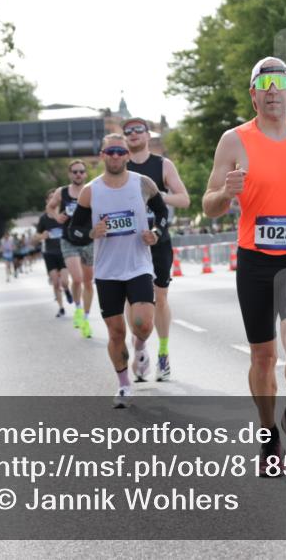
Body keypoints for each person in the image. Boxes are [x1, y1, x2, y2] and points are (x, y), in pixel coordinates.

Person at [202, 57, 286, 476]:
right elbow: (208, 206)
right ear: (254, 94)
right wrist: (225, 191)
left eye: (281, 83)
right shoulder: (234, 141)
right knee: (262, 357)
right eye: (265, 84)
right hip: (256, 261)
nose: (273, 90)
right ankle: (267, 434)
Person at [67, 133, 169, 408]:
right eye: (109, 152)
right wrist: (91, 232)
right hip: (107, 271)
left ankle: (140, 347)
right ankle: (123, 384)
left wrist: (156, 233)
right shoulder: (91, 190)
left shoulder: (143, 184)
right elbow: (74, 231)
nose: (115, 156)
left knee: (142, 324)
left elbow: (162, 215)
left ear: (127, 155)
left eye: (119, 152)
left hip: (138, 266)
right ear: (102, 155)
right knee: (115, 333)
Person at [122, 115, 191, 382]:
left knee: (160, 298)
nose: (134, 134)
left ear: (148, 136)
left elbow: (184, 199)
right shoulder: (120, 167)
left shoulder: (162, 165)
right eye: (128, 131)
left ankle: (163, 352)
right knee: (133, 300)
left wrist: (156, 195)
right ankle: (139, 349)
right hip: (129, 244)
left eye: (139, 130)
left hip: (159, 240)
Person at [47, 160, 96, 338]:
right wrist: (56, 216)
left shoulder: (92, 189)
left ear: (85, 174)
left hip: (89, 239)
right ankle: (77, 308)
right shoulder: (62, 192)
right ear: (70, 174)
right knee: (77, 278)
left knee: (88, 282)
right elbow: (50, 207)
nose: (78, 174)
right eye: (75, 172)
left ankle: (86, 318)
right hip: (69, 240)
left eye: (81, 172)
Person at [36, 190, 69, 317]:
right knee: (55, 282)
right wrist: (42, 236)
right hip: (49, 253)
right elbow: (36, 236)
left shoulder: (63, 216)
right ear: (47, 201)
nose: (52, 200)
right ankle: (61, 307)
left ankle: (67, 290)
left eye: (54, 198)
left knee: (65, 282)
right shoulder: (43, 219)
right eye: (50, 198)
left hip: (64, 252)